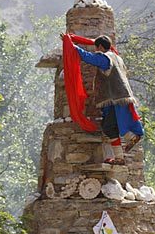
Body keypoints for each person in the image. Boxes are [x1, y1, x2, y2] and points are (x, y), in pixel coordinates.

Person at [62, 34, 144, 165]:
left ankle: (129, 141)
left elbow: (88, 58)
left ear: (100, 46)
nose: (95, 50)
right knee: (114, 126)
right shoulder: (117, 57)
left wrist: (71, 45)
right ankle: (121, 155)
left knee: (109, 126)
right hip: (120, 96)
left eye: (96, 47)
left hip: (115, 98)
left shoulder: (105, 58)